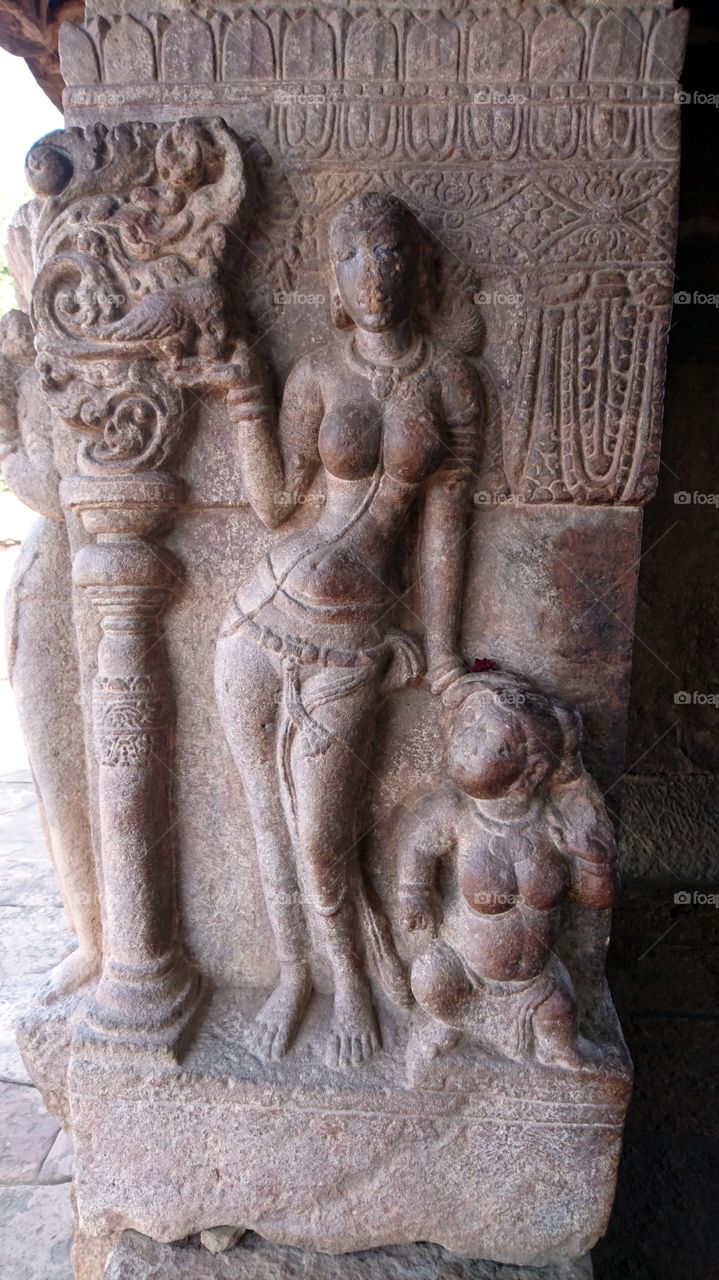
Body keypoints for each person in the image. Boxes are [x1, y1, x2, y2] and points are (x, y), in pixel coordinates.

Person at [215, 191, 481, 1068]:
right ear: (334, 278)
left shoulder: (448, 382)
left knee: (323, 836)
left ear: (418, 267)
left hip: (355, 637)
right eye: (354, 257)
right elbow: (275, 504)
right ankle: (297, 977)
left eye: (390, 253)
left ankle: (355, 982)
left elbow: (445, 529)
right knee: (263, 816)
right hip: (258, 615)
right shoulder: (317, 378)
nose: (374, 274)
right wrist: (249, 395)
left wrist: (442, 660)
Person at [397, 675, 619, 1068]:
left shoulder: (553, 825)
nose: (469, 744)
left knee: (561, 1019)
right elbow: (418, 844)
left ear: (530, 774)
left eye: (495, 746)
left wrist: (593, 862)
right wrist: (413, 891)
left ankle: (518, 1035)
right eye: (472, 728)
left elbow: (596, 899)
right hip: (464, 968)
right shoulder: (457, 814)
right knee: (429, 979)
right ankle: (465, 1023)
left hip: (535, 983)